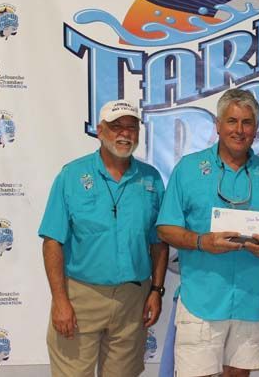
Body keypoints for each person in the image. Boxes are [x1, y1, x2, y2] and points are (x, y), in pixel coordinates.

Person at [156, 88, 259, 377]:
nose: (239, 130)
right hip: (202, 301)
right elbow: (165, 228)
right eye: (231, 121)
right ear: (217, 125)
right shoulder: (188, 169)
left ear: (256, 128)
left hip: (253, 300)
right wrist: (202, 241)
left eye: (247, 122)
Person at [38, 100, 168, 377]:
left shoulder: (151, 179)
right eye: (116, 126)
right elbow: (52, 241)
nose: (124, 133)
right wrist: (60, 300)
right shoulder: (71, 175)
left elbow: (159, 242)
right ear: (100, 131)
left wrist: (156, 291)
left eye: (131, 127)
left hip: (133, 299)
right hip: (80, 296)